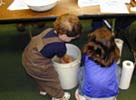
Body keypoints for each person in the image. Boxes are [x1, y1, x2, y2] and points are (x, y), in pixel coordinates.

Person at [22, 13, 82, 100]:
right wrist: (66, 60)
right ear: (64, 35)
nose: (71, 40)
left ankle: (43, 89)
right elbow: (63, 58)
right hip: (37, 65)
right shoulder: (59, 46)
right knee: (52, 78)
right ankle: (58, 96)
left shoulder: (50, 30)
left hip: (28, 57)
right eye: (71, 38)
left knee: (39, 77)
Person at [75, 27, 120, 100]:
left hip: (90, 96)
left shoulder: (87, 56)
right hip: (111, 96)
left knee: (81, 70)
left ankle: (81, 95)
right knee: (117, 70)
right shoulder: (114, 56)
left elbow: (84, 64)